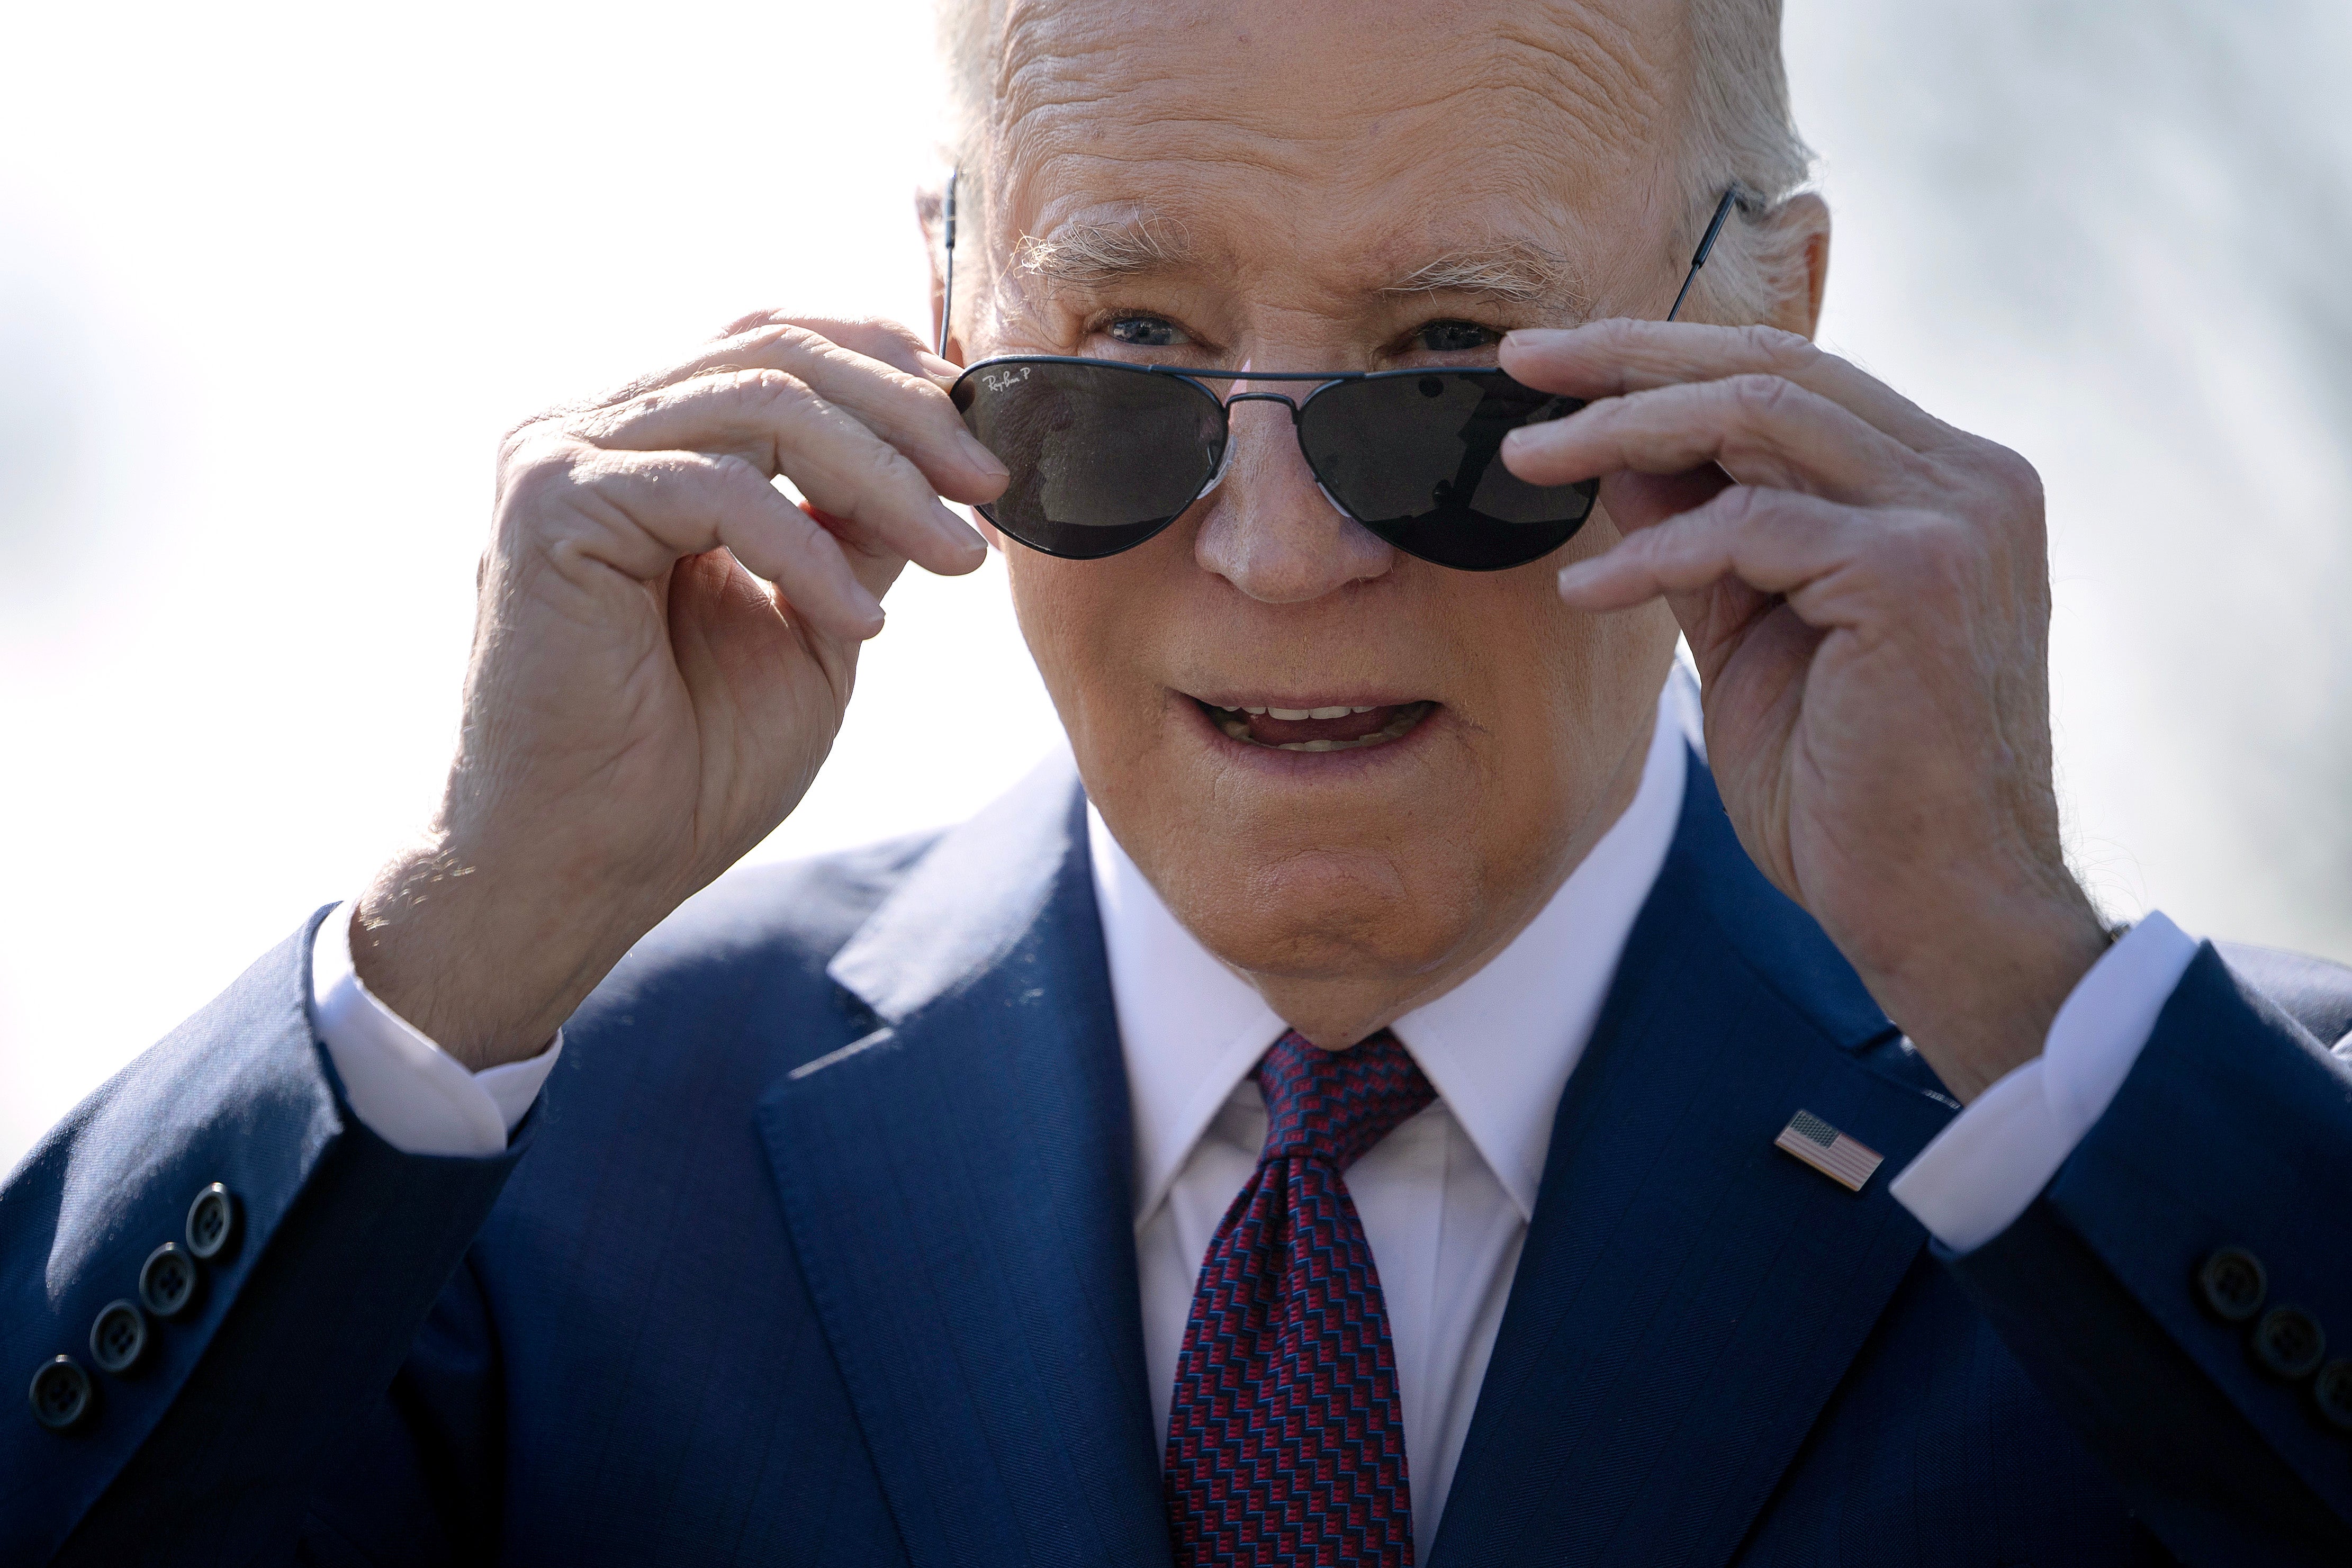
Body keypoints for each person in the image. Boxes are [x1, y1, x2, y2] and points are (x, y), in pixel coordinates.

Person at [6, 0, 2349, 1561]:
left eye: (1450, 371)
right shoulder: (515, 1171)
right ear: (947, 318)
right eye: (1124, 357)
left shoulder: (2177, 1164)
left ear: (1768, 329)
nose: (1278, 552)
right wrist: (458, 943)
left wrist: (2025, 1009)